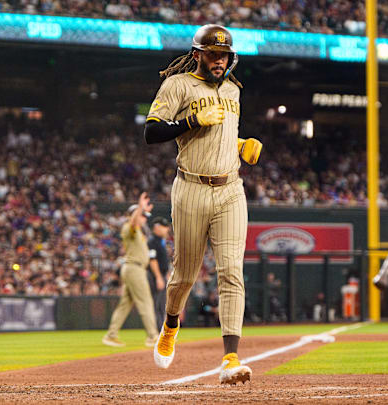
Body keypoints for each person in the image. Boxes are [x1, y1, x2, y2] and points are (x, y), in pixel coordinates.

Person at [143, 24, 262, 384]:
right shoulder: (177, 85)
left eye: (224, 55)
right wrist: (191, 120)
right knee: (185, 275)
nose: (219, 61)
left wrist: (240, 145)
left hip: (230, 188)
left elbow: (222, 134)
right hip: (191, 187)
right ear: (198, 54)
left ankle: (230, 358)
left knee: (231, 271)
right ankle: (170, 325)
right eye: (213, 54)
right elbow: (151, 132)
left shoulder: (232, 89)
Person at [102, 193, 159, 348]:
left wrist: (142, 210)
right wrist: (140, 208)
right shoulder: (129, 227)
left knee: (125, 304)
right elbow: (133, 222)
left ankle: (111, 335)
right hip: (134, 269)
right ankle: (153, 336)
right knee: (145, 302)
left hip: (133, 269)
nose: (144, 218)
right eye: (142, 215)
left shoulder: (139, 231)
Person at [147, 216, 171, 331]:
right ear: (156, 227)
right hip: (155, 276)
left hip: (161, 275)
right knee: (157, 305)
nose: (167, 229)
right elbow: (152, 260)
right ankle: (157, 331)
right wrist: (158, 277)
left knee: (161, 305)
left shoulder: (160, 241)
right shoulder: (152, 241)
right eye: (164, 226)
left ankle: (161, 331)